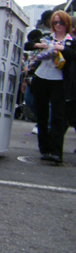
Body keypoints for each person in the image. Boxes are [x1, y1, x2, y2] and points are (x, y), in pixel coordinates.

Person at [26, 11, 74, 163]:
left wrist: (62, 49)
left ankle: (56, 151)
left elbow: (73, 55)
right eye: (55, 23)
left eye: (61, 23)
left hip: (59, 81)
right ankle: (44, 148)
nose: (58, 26)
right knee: (42, 114)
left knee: (58, 116)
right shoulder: (47, 38)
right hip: (41, 78)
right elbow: (28, 45)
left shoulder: (70, 41)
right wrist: (39, 45)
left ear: (67, 25)